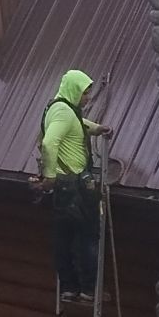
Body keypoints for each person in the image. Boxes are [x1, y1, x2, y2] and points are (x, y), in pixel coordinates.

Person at [34, 69, 109, 304]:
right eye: (85, 93)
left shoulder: (58, 107)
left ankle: (68, 287)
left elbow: (75, 123)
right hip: (75, 185)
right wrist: (49, 176)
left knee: (63, 238)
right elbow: (48, 143)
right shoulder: (64, 113)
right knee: (88, 237)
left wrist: (96, 128)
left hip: (62, 190)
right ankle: (88, 290)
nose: (87, 97)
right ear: (74, 90)